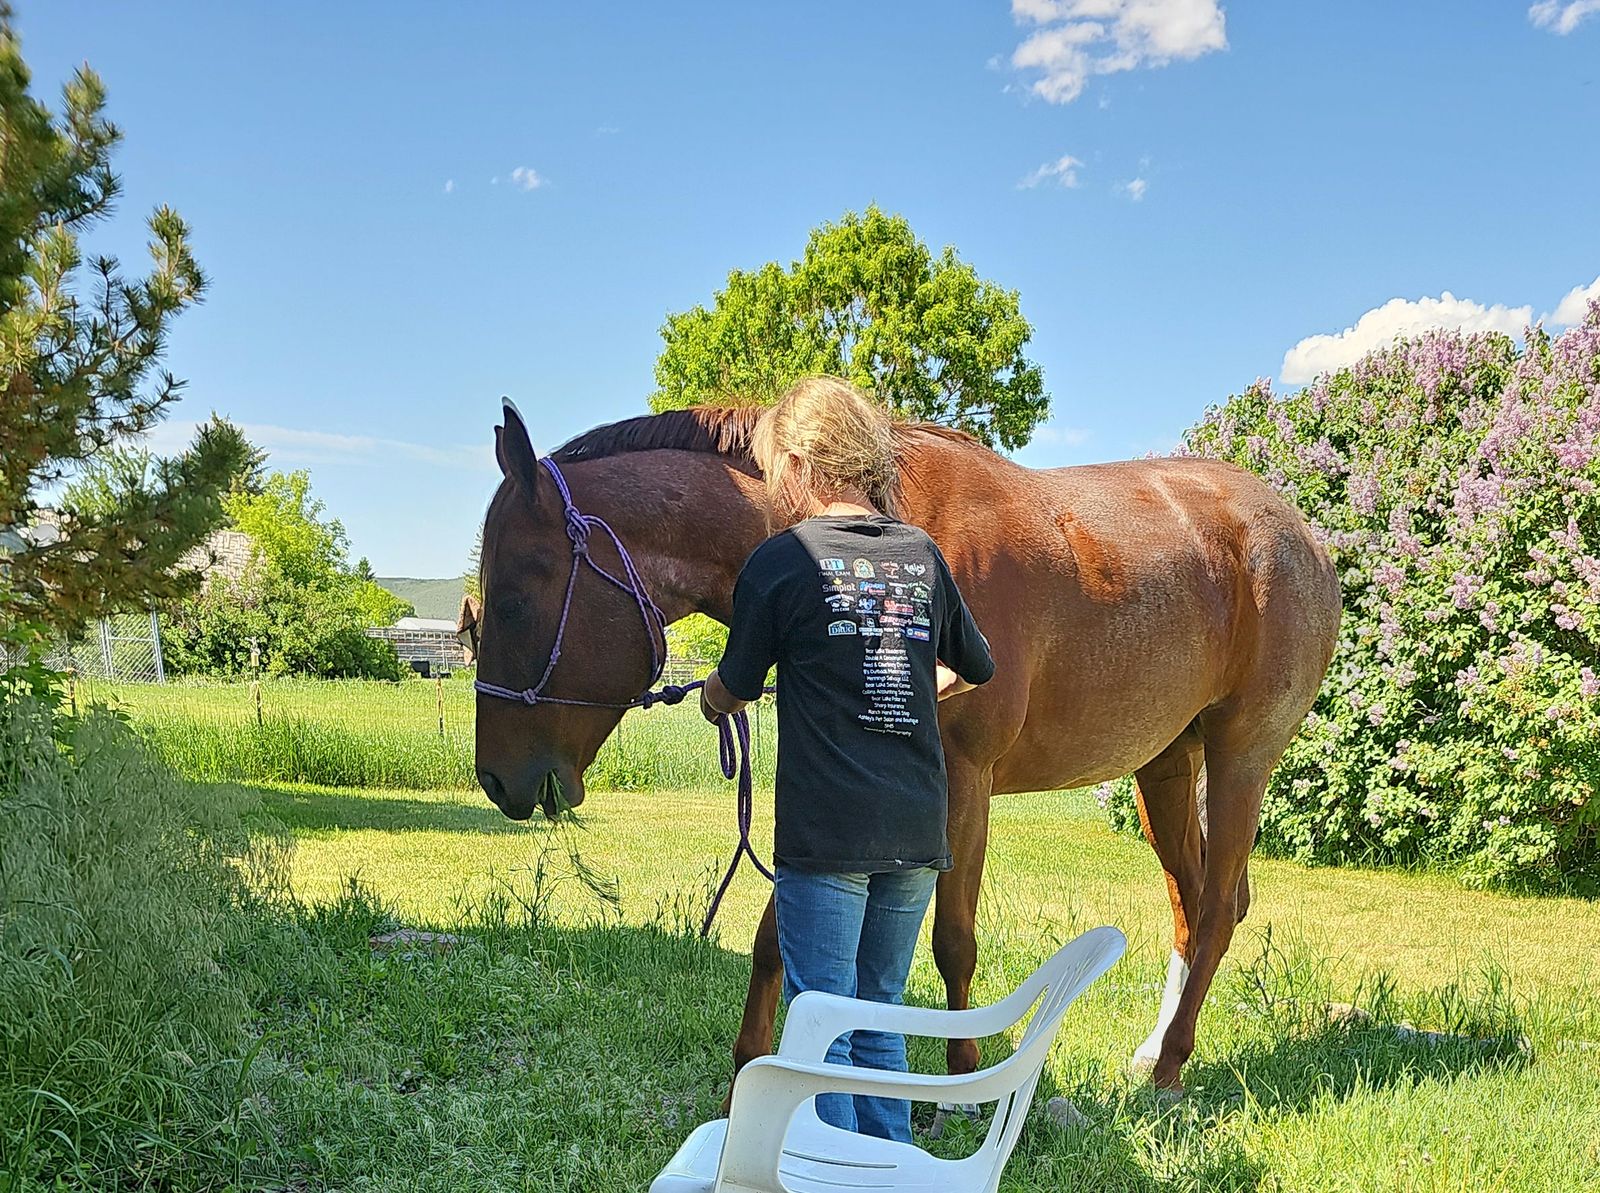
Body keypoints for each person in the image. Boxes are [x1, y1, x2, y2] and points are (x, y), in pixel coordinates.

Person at [699, 376, 994, 1142]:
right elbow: (974, 665)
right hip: (915, 829)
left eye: (775, 470)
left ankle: (830, 1168)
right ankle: (885, 1163)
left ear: (799, 462)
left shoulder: (782, 560)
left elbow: (735, 684)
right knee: (878, 1011)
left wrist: (710, 699)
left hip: (828, 833)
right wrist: (902, 680)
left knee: (821, 1019)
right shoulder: (922, 554)